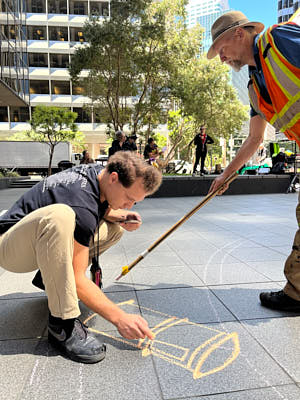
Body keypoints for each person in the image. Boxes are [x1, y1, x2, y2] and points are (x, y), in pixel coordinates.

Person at [0, 152, 162, 363]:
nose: (129, 205)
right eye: (129, 198)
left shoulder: (98, 175)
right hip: (10, 249)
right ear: (114, 177)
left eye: (135, 203)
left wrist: (121, 216)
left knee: (114, 230)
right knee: (61, 217)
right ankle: (62, 325)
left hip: (35, 241)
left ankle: (49, 277)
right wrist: (120, 318)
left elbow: (99, 206)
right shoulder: (81, 206)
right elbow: (77, 279)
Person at [207, 9, 300, 311]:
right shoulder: (254, 86)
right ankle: (297, 292)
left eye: (221, 50)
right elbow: (254, 139)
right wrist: (226, 176)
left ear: (239, 33)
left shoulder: (279, 39)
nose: (221, 58)